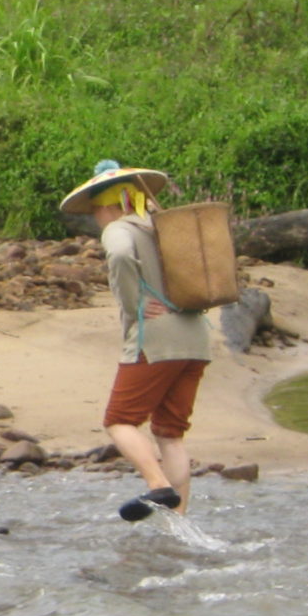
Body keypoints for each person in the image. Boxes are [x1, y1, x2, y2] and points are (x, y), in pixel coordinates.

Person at [59, 158, 212, 522]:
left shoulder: (118, 229)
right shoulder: (163, 227)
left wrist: (136, 303)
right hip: (196, 338)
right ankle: (179, 523)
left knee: (119, 420)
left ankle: (158, 485)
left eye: (96, 210)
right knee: (170, 434)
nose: (97, 218)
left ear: (108, 206)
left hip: (156, 340)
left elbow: (121, 254)